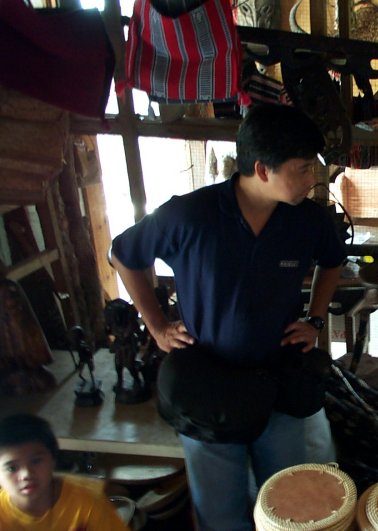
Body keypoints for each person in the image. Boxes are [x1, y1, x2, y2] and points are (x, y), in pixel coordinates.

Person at [110, 103, 345, 530]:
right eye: (302, 168)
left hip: (278, 382)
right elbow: (124, 254)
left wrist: (314, 318)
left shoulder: (309, 220)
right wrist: (157, 324)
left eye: (314, 168)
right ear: (262, 169)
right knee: (221, 514)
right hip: (208, 389)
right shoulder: (190, 215)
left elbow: (333, 263)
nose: (313, 180)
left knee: (289, 504)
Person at [0, 413, 128, 531]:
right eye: (12, 468)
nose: (26, 474)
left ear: (53, 460)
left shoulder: (87, 503)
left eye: (36, 461)